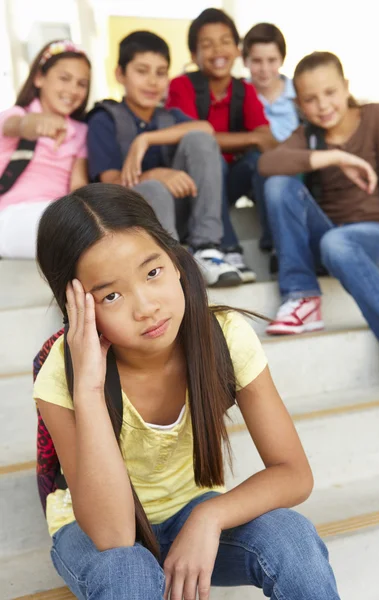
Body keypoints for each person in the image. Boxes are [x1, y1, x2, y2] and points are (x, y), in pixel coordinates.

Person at [33, 183, 340, 600]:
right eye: (112, 295)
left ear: (176, 261)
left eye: (153, 272)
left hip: (188, 511)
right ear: (76, 307)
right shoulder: (62, 375)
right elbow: (114, 535)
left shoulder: (223, 336)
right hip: (93, 533)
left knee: (290, 535)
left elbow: (293, 473)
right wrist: (88, 387)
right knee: (128, 569)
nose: (146, 307)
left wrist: (209, 517)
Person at [258, 51, 379, 392]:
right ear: (299, 104)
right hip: (329, 239)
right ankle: (303, 296)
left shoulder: (375, 116)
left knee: (337, 242)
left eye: (330, 92)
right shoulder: (308, 135)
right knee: (278, 185)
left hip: (377, 235)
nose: (322, 105)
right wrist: (332, 156)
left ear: (346, 86)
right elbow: (267, 164)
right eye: (310, 98)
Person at [87, 31, 240, 288]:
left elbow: (206, 129)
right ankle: (172, 263)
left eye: (160, 73)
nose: (152, 81)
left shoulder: (169, 117)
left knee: (199, 140)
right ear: (120, 74)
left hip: (179, 215)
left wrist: (145, 140)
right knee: (153, 188)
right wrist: (156, 174)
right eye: (142, 71)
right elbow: (109, 183)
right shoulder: (105, 120)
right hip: (132, 224)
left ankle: (206, 248)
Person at [167, 8, 278, 282]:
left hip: (229, 183)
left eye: (225, 41)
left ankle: (275, 245)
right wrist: (249, 138)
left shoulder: (244, 90)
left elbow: (266, 140)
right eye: (207, 44)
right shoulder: (182, 86)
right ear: (194, 55)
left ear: (238, 49)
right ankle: (226, 247)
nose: (218, 49)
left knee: (258, 161)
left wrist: (252, 140)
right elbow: (192, 136)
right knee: (210, 154)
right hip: (193, 187)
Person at [0, 39, 90, 259]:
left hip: (60, 214)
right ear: (39, 78)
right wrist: (36, 123)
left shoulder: (81, 131)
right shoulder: (17, 115)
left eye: (81, 83)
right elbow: (17, 126)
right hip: (12, 215)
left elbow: (78, 185)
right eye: (64, 78)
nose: (73, 89)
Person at [242, 23, 299, 143]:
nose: (264, 69)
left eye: (272, 60)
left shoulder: (298, 92)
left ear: (282, 60)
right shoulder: (237, 94)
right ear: (245, 61)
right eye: (257, 61)